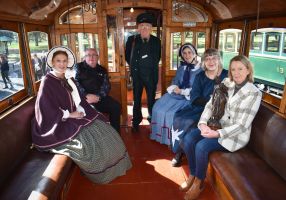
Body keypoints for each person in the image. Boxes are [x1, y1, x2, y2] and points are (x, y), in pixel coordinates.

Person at [31, 46, 132, 184]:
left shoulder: (67, 77)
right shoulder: (48, 81)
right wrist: (70, 115)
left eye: (64, 61)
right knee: (88, 143)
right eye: (58, 61)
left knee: (106, 131)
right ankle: (100, 172)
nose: (62, 64)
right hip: (58, 121)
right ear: (52, 63)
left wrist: (84, 109)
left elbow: (76, 97)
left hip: (78, 111)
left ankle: (115, 165)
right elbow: (46, 109)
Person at [180, 55, 262, 200]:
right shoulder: (226, 83)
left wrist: (216, 134)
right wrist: (203, 123)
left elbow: (242, 125)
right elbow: (210, 104)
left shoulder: (254, 93)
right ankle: (193, 173)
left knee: (201, 146)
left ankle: (199, 182)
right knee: (188, 139)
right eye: (233, 69)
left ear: (248, 70)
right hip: (216, 125)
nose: (236, 73)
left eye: (240, 69)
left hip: (235, 135)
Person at [171, 48, 228, 167]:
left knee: (192, 124)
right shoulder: (200, 76)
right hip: (200, 107)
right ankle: (179, 151)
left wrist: (218, 104)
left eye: (214, 58)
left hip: (221, 112)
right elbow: (195, 97)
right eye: (207, 59)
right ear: (203, 62)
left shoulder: (227, 75)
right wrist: (211, 102)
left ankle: (193, 151)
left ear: (219, 60)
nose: (211, 61)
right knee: (180, 118)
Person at [150, 43, 202, 145]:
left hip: (189, 98)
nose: (187, 56)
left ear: (195, 54)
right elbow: (175, 81)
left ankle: (170, 139)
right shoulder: (181, 68)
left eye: (189, 53)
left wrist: (182, 91)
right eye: (184, 53)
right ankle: (160, 135)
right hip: (177, 94)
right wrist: (175, 87)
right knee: (157, 107)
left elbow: (198, 89)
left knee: (170, 113)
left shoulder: (201, 70)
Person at [125, 12, 161, 132]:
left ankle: (153, 122)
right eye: (142, 26)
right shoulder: (132, 40)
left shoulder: (156, 41)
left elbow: (157, 58)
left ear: (151, 28)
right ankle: (136, 122)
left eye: (147, 26)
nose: (144, 28)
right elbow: (127, 57)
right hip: (137, 76)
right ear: (138, 28)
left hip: (151, 76)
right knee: (136, 100)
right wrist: (137, 66)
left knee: (151, 100)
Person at [75, 48, 121, 133]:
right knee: (91, 111)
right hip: (83, 99)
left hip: (99, 98)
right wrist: (85, 96)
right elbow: (75, 83)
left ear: (97, 57)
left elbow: (106, 86)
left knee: (116, 106)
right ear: (85, 57)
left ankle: (115, 134)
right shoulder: (78, 67)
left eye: (94, 55)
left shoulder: (102, 70)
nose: (91, 57)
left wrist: (98, 97)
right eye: (88, 55)